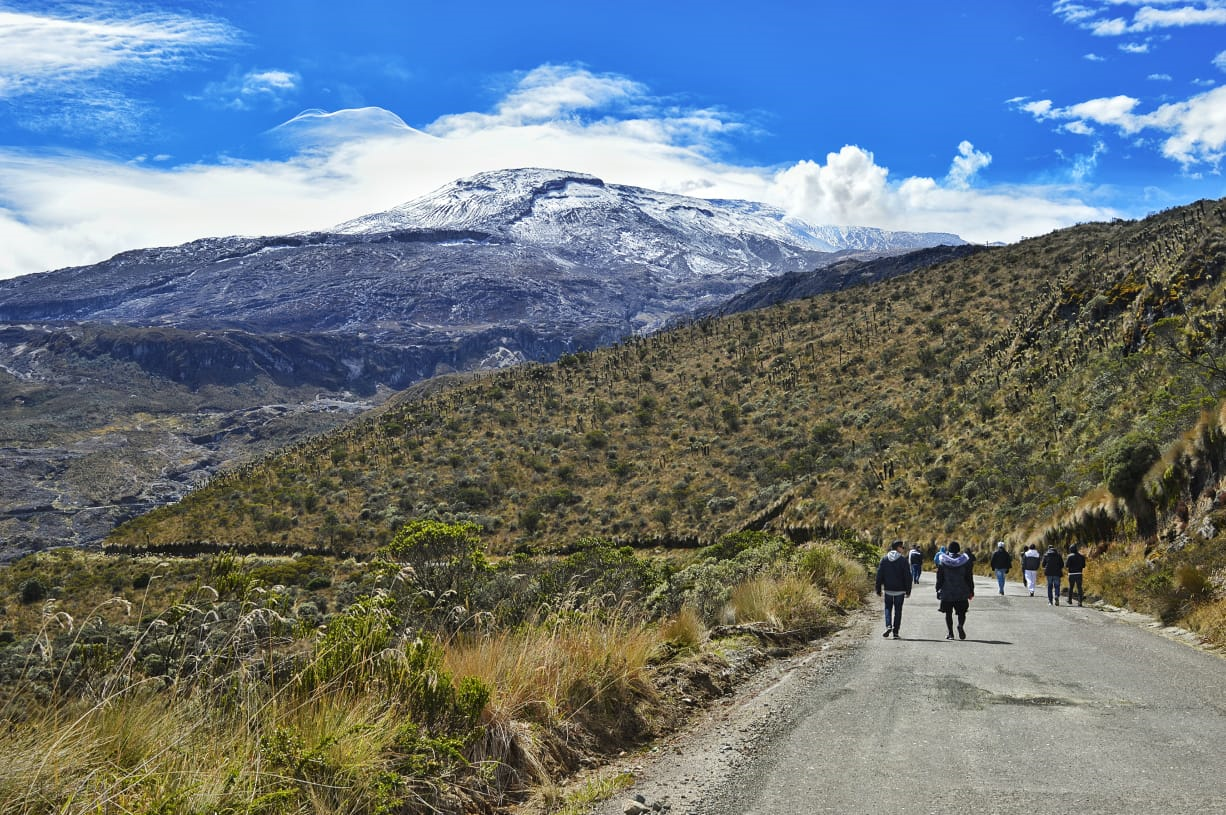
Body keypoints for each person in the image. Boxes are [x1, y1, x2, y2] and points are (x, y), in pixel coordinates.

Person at [935, 541, 975, 640]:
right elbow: (969, 577)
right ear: (958, 549)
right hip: (962, 591)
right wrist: (971, 589)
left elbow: (940, 577)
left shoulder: (943, 561)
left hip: (947, 591)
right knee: (962, 612)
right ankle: (960, 625)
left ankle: (950, 633)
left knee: (948, 613)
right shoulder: (965, 561)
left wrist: (937, 588)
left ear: (948, 550)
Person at [875, 539, 913, 639]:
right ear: (898, 548)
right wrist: (908, 590)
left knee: (888, 608)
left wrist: (878, 588)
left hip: (888, 589)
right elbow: (908, 577)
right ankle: (895, 633)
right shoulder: (903, 560)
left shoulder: (884, 559)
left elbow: (879, 575)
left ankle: (888, 626)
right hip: (900, 590)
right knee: (898, 611)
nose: (903, 549)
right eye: (902, 547)